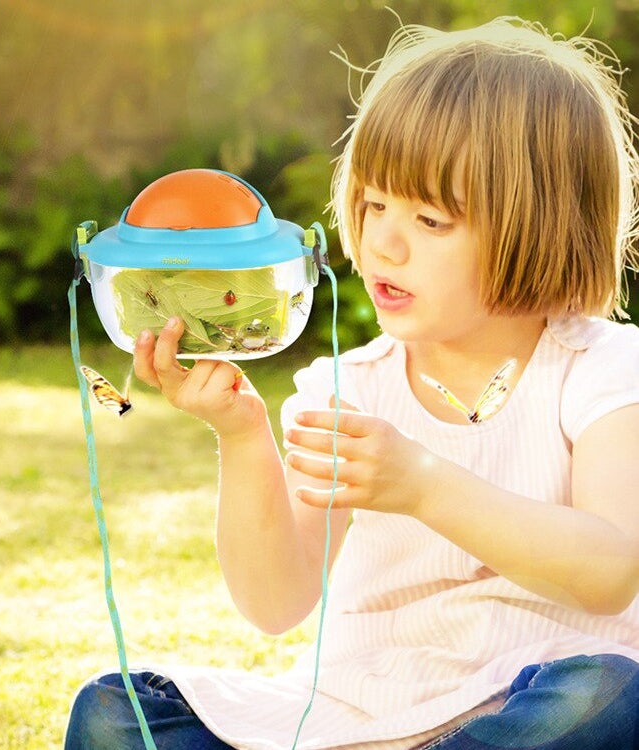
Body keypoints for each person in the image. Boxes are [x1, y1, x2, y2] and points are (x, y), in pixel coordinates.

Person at [64, 16, 639, 750]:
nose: (382, 243)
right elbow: (276, 603)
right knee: (116, 711)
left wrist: (424, 484)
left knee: (610, 698)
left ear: (543, 225)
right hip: (356, 717)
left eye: (431, 219)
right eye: (373, 205)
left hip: (521, 707)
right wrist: (241, 435)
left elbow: (612, 572)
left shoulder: (602, 369)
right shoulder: (347, 387)